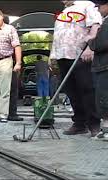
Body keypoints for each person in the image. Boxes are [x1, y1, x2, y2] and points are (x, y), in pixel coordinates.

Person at [49, 0, 101, 137]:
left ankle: (94, 124)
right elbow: (58, 35)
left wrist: (90, 47)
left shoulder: (86, 5)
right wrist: (52, 55)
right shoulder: (63, 12)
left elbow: (95, 26)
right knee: (71, 91)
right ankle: (79, 123)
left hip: (80, 54)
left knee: (87, 89)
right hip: (62, 55)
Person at [88, 0, 108, 140]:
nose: (98, 9)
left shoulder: (107, 23)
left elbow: (100, 44)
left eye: (100, 6)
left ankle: (106, 130)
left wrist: (90, 40)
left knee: (103, 98)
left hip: (105, 66)